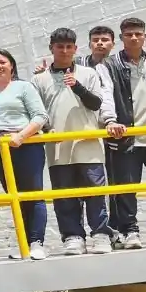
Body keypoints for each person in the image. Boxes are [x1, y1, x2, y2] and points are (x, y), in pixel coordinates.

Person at [32, 28, 124, 256]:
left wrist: (77, 87)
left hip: (88, 143)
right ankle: (73, 237)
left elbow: (96, 104)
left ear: (75, 48)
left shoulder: (88, 73)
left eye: (68, 47)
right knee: (64, 195)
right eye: (59, 46)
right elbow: (36, 112)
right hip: (58, 146)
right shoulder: (38, 79)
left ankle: (100, 234)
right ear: (51, 48)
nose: (64, 51)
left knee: (95, 192)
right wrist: (46, 129)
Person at [101, 17, 146, 246]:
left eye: (138, 34)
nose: (134, 38)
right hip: (126, 138)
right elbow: (106, 96)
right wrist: (110, 120)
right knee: (126, 189)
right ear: (121, 38)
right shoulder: (109, 65)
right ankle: (130, 231)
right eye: (129, 35)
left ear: (145, 36)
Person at [0, 49, 50, 260]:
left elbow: (40, 116)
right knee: (14, 196)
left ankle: (36, 242)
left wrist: (21, 136)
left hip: (26, 144)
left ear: (11, 64)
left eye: (2, 62)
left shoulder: (24, 87)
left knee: (33, 194)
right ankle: (23, 242)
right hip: (1, 148)